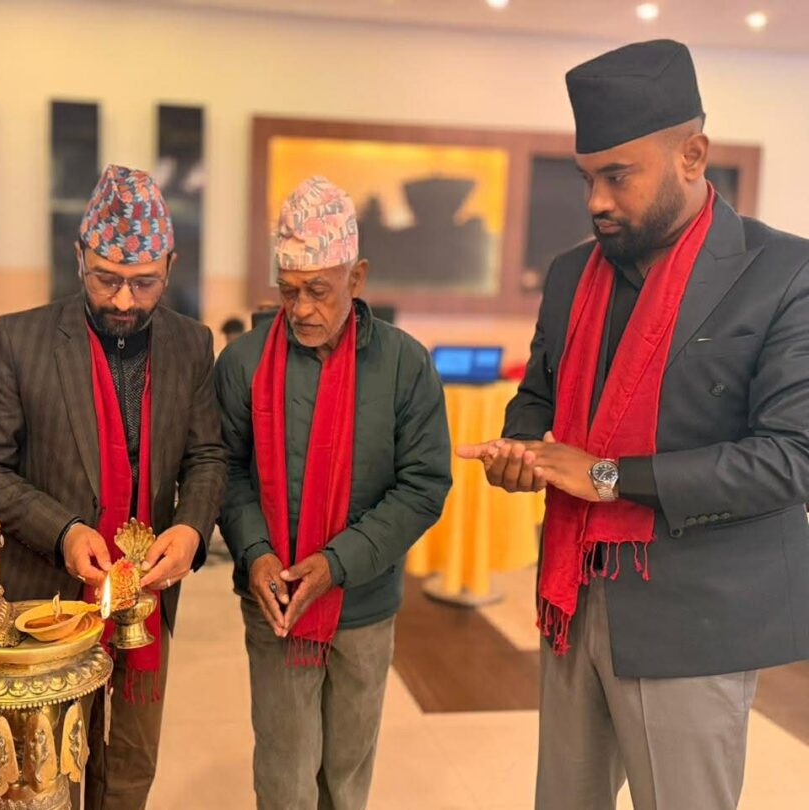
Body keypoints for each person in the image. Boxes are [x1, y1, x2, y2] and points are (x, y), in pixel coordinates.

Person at [457, 40, 809, 810]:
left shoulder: (784, 273)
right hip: (572, 595)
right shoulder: (570, 275)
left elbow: (791, 460)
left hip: (697, 614)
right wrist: (522, 451)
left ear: (693, 155)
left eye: (618, 175)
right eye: (587, 178)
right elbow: (538, 399)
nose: (596, 201)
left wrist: (608, 476)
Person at [0, 164, 227, 810]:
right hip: (42, 605)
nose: (124, 301)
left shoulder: (190, 345)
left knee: (129, 772)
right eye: (107, 279)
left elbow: (208, 456)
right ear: (79, 258)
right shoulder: (19, 341)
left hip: (144, 605)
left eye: (144, 282)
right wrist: (64, 531)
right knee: (43, 783)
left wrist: (191, 529)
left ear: (170, 267)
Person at [215, 176, 452, 810]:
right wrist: (256, 553)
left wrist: (335, 564)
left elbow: (424, 485)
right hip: (275, 602)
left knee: (346, 778)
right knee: (285, 777)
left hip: (364, 604)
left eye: (318, 290)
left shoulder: (405, 365)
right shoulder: (242, 364)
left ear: (357, 277)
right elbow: (225, 471)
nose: (301, 310)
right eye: (288, 290)